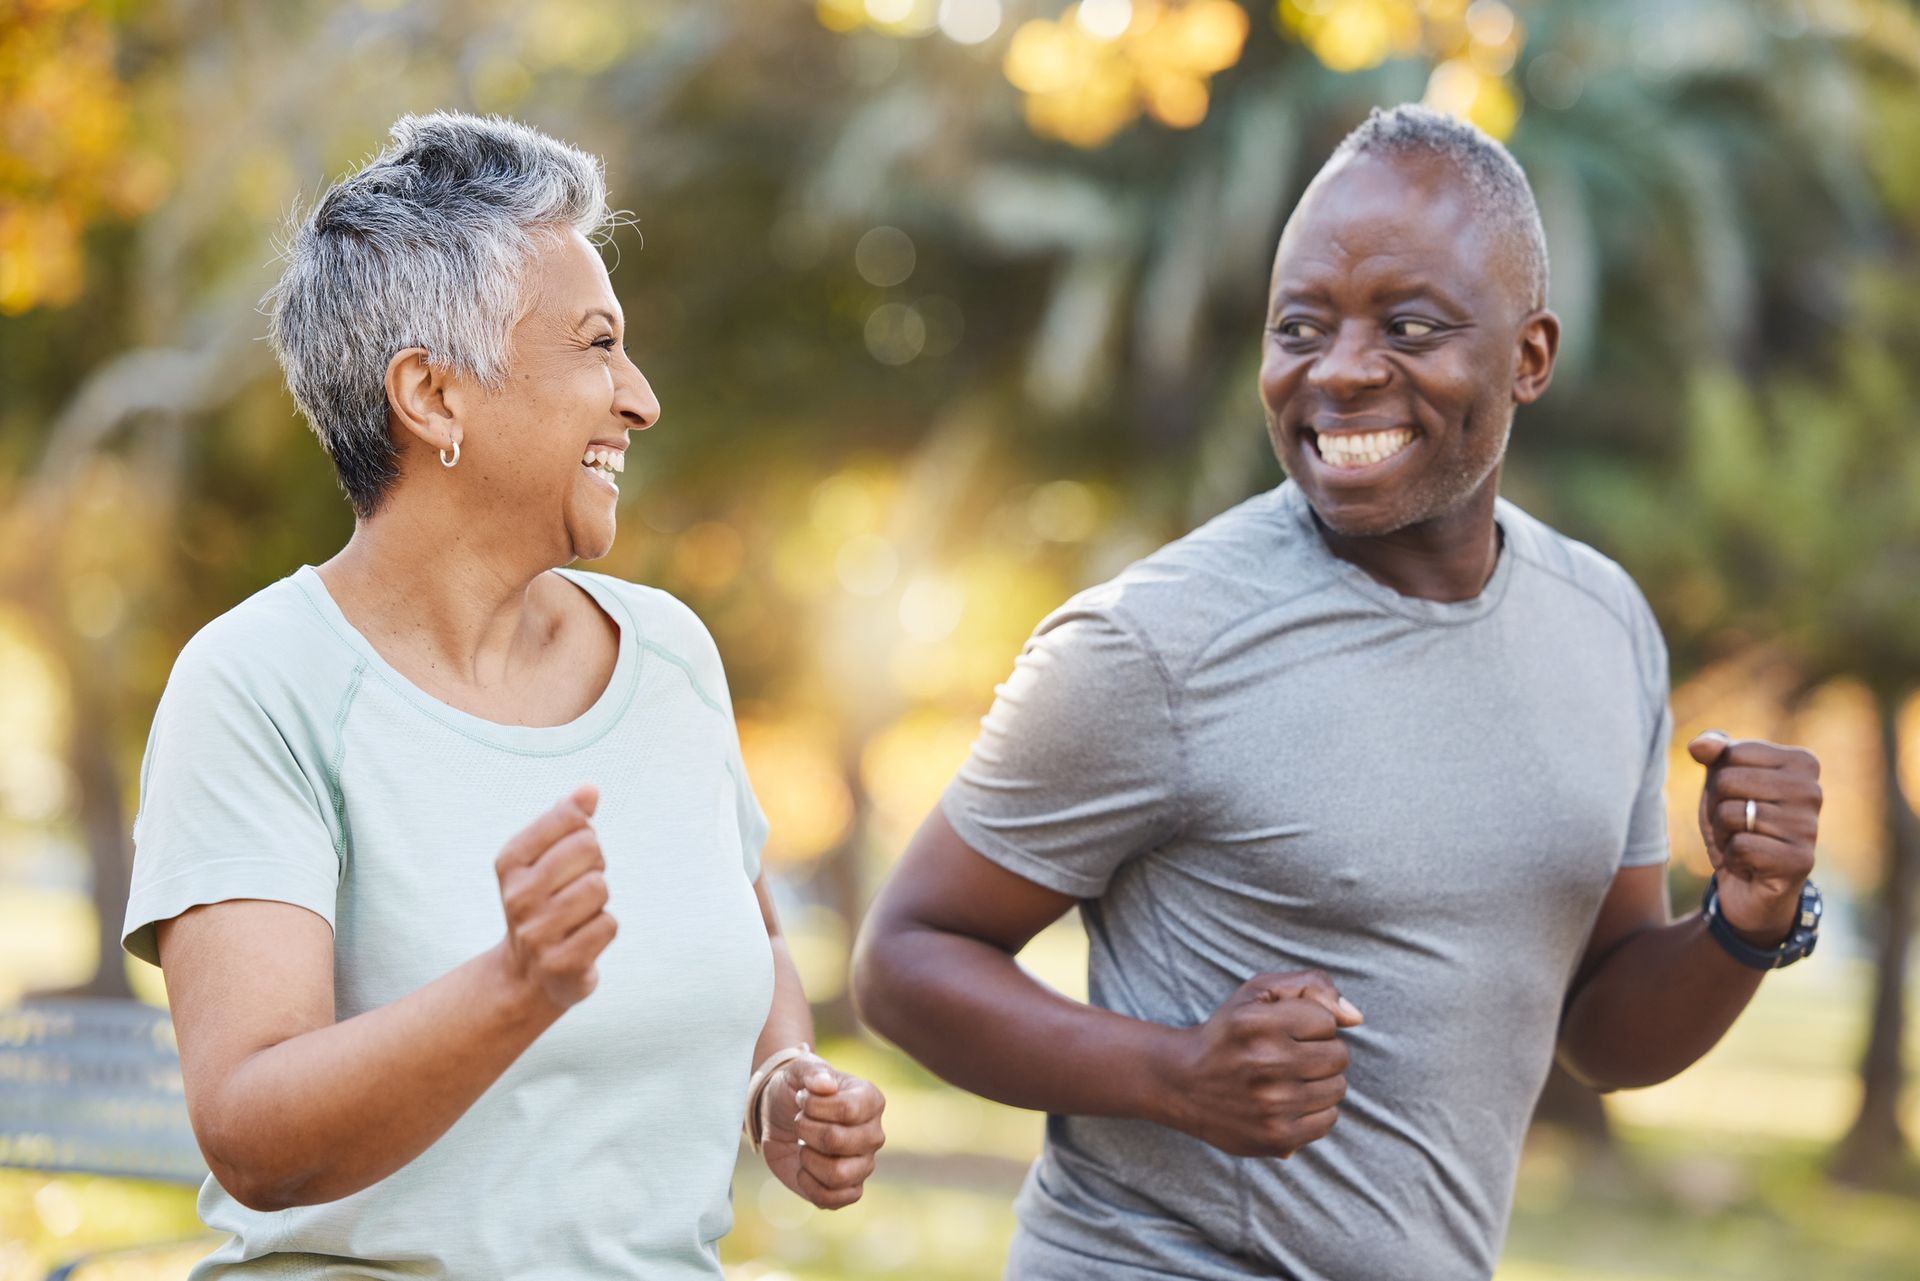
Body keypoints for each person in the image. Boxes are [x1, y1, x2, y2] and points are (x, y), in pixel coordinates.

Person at [851, 105, 1824, 1281]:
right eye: (1300, 327)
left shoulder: (1604, 625)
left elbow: (1604, 1031)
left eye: (1410, 325)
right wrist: (1176, 1075)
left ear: (1529, 357)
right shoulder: (1158, 641)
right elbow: (907, 957)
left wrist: (1749, 915)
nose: (1343, 370)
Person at [123, 112, 885, 1279]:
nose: (640, 399)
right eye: (595, 346)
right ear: (432, 395)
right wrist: (512, 989)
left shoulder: (671, 657)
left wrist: (780, 1082)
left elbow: (755, 938)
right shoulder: (257, 681)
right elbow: (251, 1132)